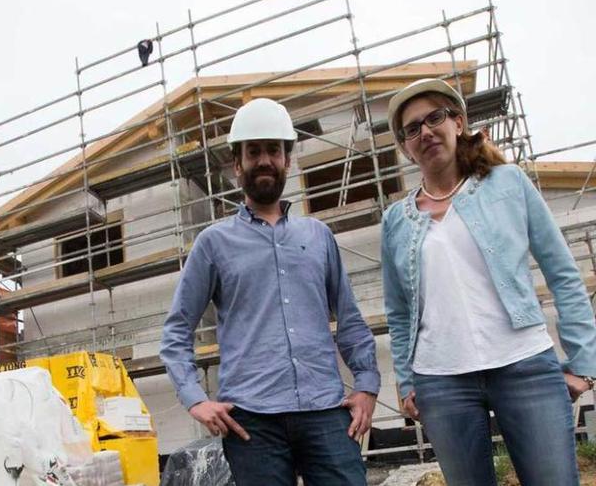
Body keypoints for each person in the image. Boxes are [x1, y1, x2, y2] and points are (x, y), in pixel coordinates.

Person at [382, 78, 596, 485]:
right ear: (405, 147)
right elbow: (400, 311)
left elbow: (563, 273)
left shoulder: (507, 184)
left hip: (526, 365)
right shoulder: (395, 221)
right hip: (441, 381)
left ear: (458, 122)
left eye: (435, 118)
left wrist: (584, 362)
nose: (425, 131)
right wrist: (408, 381)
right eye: (412, 128)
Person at [160, 97, 380, 485]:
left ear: (287, 160)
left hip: (325, 410)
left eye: (273, 150)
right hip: (251, 422)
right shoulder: (213, 244)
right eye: (254, 151)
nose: (264, 159)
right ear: (237, 164)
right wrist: (195, 398)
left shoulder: (319, 237)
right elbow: (177, 331)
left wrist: (366, 385)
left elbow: (350, 320)